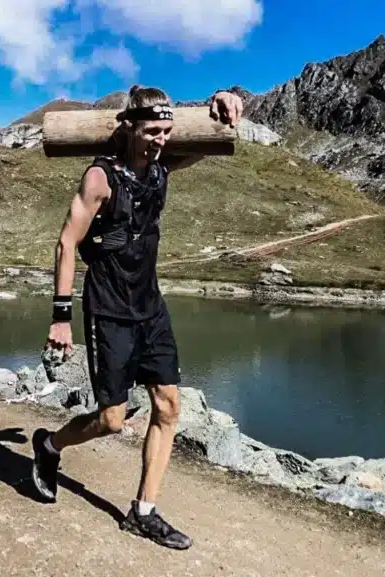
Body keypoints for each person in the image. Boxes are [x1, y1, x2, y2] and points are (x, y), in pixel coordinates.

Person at [30, 86, 244, 549]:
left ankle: (143, 512)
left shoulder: (162, 167)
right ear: (128, 127)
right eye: (151, 132)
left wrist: (221, 97)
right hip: (108, 309)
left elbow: (209, 138)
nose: (159, 141)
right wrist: (61, 316)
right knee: (112, 420)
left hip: (151, 307)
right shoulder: (99, 178)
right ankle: (49, 445)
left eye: (166, 132)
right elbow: (66, 243)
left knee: (168, 406)